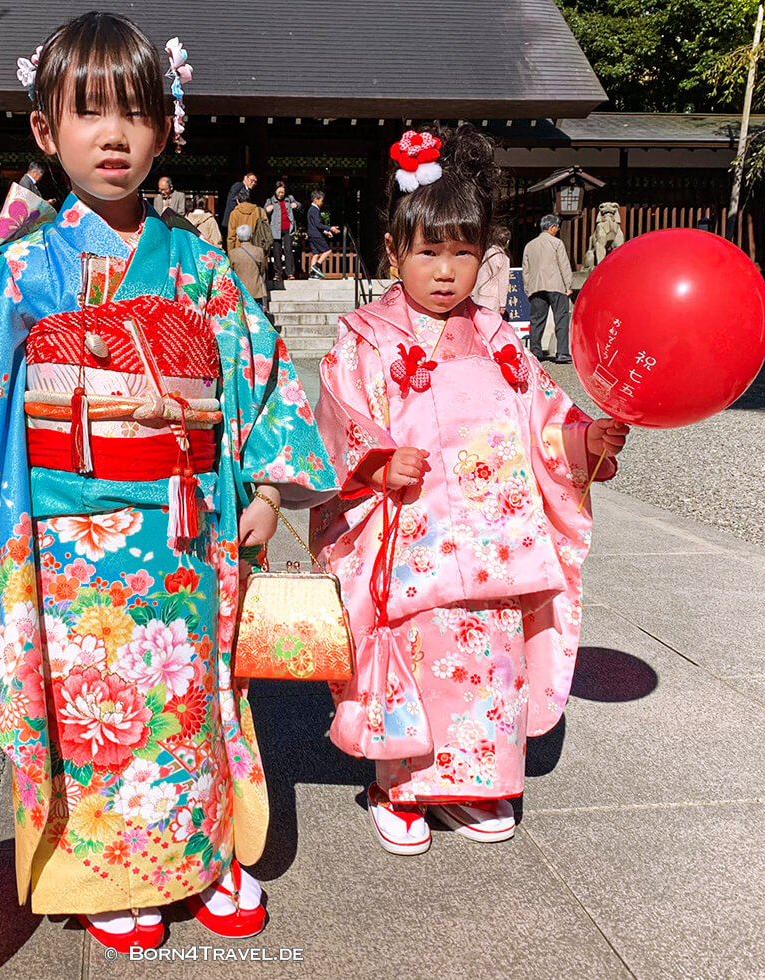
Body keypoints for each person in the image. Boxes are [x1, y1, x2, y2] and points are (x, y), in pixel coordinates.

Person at [0, 11, 337, 954]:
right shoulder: (24, 267)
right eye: (88, 115)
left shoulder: (199, 264)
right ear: (45, 131)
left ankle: (201, 853)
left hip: (187, 532)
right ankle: (108, 870)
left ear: (168, 128)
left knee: (189, 695)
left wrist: (270, 491)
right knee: (95, 706)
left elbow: (257, 376)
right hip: (69, 544)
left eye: (136, 115)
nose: (114, 137)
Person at [311, 125, 628, 857]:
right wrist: (376, 463)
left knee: (488, 659)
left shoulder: (499, 339)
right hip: (410, 539)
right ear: (394, 252)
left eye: (463, 252)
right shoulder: (364, 338)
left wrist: (586, 443)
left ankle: (474, 784)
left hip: (492, 543)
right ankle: (399, 784)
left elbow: (544, 414)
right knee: (415, 656)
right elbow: (339, 420)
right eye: (429, 252)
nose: (447, 271)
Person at [521, 214, 574, 363]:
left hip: (536, 287)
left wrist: (528, 289)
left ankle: (536, 352)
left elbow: (526, 270)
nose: (557, 230)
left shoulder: (530, 245)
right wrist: (568, 286)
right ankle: (562, 352)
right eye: (556, 227)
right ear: (551, 228)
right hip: (556, 285)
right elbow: (564, 265)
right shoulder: (557, 243)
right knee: (561, 319)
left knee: (537, 321)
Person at [471, 224, 511, 316]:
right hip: (492, 298)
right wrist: (502, 304)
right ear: (507, 242)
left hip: (479, 294)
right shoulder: (503, 258)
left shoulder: (486, 253)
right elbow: (503, 282)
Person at [228, 223, 269, 312]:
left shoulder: (232, 253)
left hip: (240, 291)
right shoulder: (259, 251)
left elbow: (230, 272)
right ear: (251, 236)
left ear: (238, 238)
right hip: (256, 290)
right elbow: (262, 270)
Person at [263, 182, 299, 281]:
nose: (280, 195)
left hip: (288, 228)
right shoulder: (270, 200)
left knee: (288, 251)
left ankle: (290, 273)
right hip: (275, 229)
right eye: (279, 192)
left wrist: (296, 205)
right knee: (276, 252)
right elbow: (264, 211)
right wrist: (267, 209)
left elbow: (299, 206)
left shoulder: (289, 198)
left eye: (282, 192)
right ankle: (277, 274)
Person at [305, 189, 338, 279]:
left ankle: (312, 274)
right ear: (316, 199)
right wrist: (330, 228)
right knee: (327, 251)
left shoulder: (310, 210)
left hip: (311, 234)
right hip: (316, 235)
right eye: (321, 200)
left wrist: (325, 232)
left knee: (315, 253)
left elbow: (314, 225)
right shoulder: (315, 210)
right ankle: (317, 266)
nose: (322, 203)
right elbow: (318, 224)